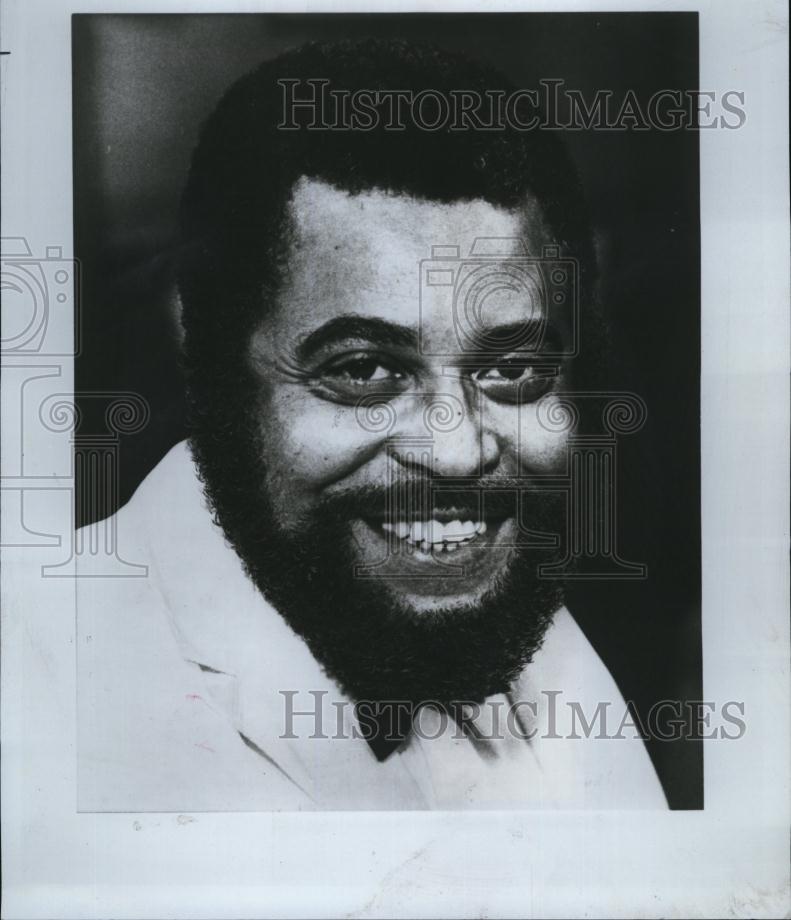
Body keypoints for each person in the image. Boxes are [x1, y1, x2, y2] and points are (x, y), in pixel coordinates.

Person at [77, 39, 667, 810]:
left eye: (512, 372)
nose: (456, 456)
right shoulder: (41, 675)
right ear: (208, 350)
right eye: (363, 371)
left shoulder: (520, 625)